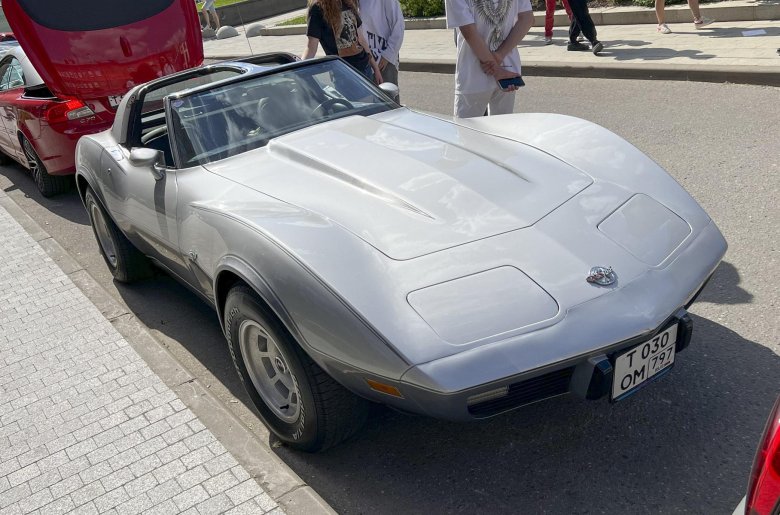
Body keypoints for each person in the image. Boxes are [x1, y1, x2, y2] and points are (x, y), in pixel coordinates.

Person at [445, 0, 534, 118]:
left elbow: (468, 30)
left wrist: (496, 69)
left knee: (466, 132)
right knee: (501, 131)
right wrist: (499, 56)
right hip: (507, 69)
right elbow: (527, 19)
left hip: (474, 73)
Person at [302, 0, 383, 84]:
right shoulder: (317, 8)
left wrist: (375, 68)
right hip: (343, 74)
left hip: (365, 69)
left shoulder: (347, 2)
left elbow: (361, 39)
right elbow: (311, 48)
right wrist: (297, 70)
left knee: (370, 97)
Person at [359, 0, 405, 88]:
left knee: (387, 98)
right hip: (364, 61)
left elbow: (398, 26)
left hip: (383, 61)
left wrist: (387, 55)